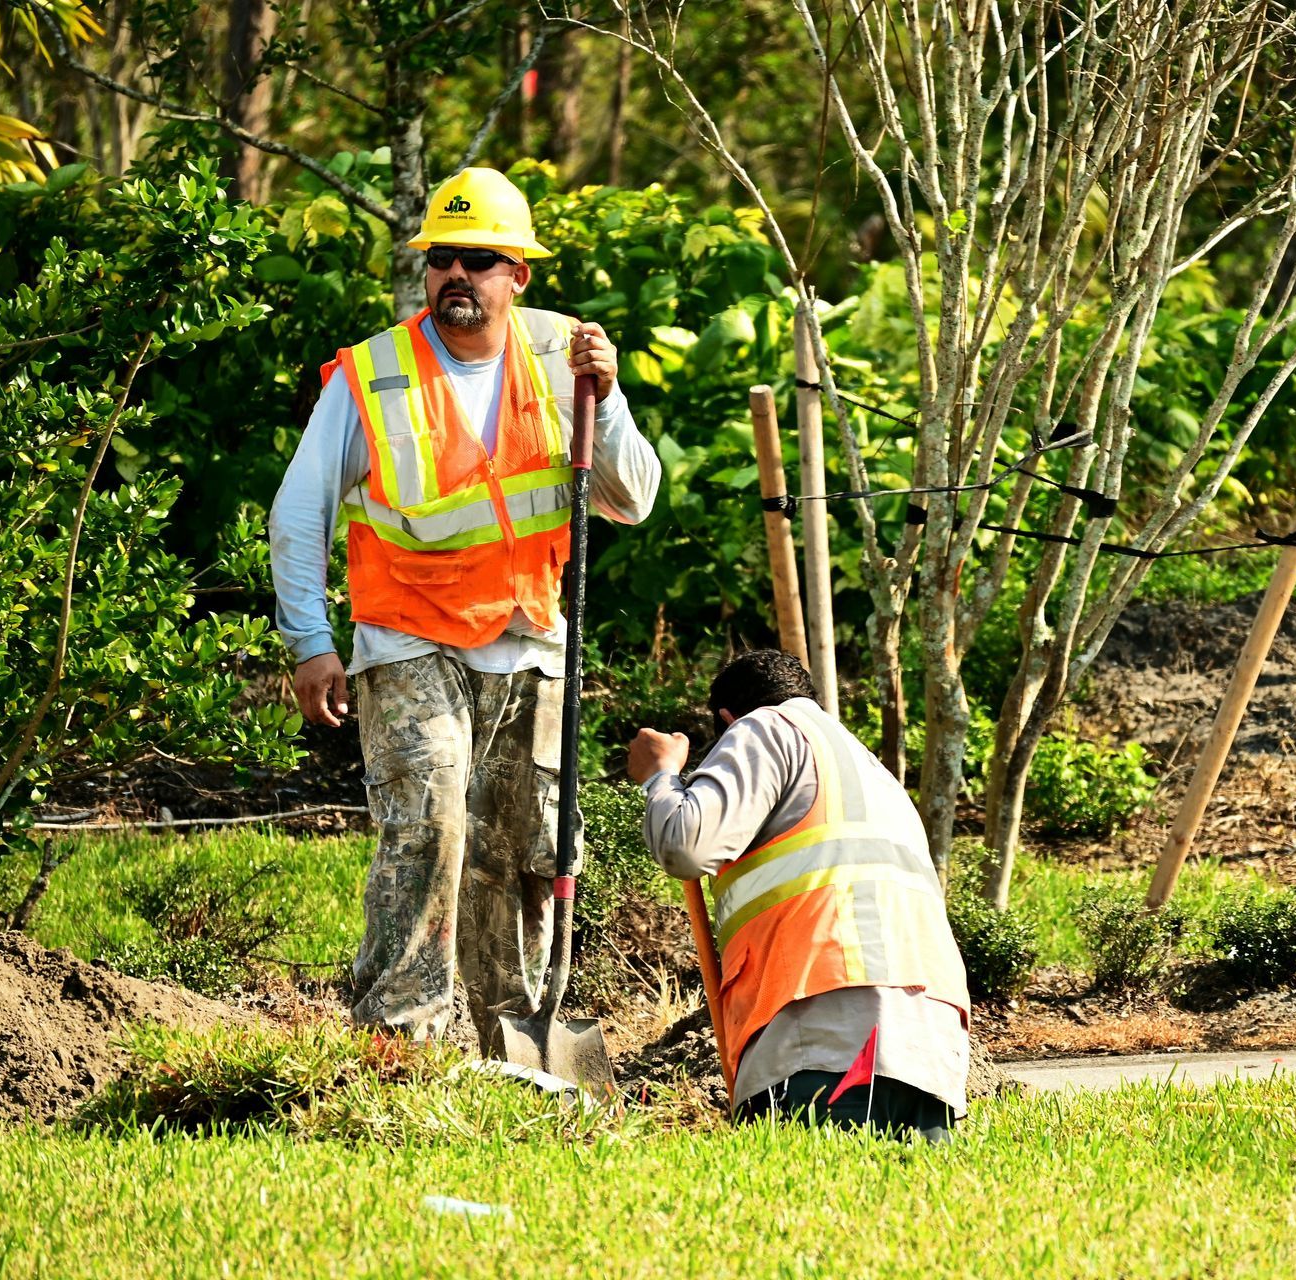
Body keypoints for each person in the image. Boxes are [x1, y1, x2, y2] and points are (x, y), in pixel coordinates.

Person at [269, 166, 661, 1052]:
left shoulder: (566, 358)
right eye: (441, 258)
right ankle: (400, 1042)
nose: (456, 275)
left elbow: (630, 500)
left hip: (528, 642)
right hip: (406, 638)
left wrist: (614, 396)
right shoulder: (371, 374)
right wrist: (310, 642)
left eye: (478, 259)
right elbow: (299, 514)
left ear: (516, 275)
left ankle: (512, 1041)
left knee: (527, 848)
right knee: (431, 824)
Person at [629, 650, 971, 1141]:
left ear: (728, 719)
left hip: (827, 1030)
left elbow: (686, 844)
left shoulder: (764, 728)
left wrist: (660, 776)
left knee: (816, 1210)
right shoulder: (869, 768)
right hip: (927, 1038)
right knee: (906, 1212)